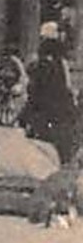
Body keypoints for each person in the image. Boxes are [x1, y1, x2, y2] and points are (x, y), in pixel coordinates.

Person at [22, 36, 79, 166]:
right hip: (61, 112)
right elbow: (67, 88)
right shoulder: (60, 65)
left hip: (44, 113)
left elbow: (34, 93)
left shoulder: (41, 67)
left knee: (43, 144)